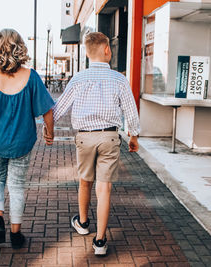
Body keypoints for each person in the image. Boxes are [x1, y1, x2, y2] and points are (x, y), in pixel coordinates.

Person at [50, 32, 140, 256]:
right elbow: (130, 109)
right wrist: (134, 135)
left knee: (85, 182)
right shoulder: (119, 79)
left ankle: (82, 223)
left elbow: (59, 108)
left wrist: (47, 129)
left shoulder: (79, 78)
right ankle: (100, 241)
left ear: (88, 53)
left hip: (85, 137)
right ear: (107, 50)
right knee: (104, 187)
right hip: (109, 137)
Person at [0, 29, 54, 249]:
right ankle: (16, 234)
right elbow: (47, 110)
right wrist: (50, 132)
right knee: (17, 187)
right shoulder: (31, 76)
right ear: (19, 47)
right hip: (21, 142)